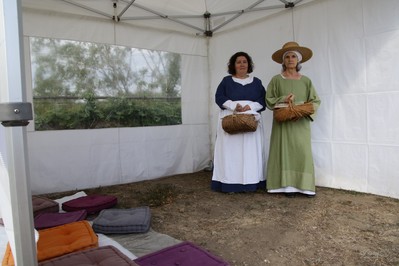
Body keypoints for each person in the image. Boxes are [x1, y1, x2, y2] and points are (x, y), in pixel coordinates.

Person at [265, 42, 321, 198]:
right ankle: (284, 186)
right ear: (283, 61)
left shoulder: (306, 81)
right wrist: (284, 99)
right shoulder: (276, 80)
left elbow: (315, 101)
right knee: (282, 151)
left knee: (302, 151)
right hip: (282, 123)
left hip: (300, 122)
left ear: (299, 60)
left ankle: (304, 186)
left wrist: (302, 110)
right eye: (287, 57)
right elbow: (269, 99)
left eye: (293, 56)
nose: (290, 59)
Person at [211, 51, 266, 193]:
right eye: (239, 62)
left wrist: (251, 107)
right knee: (231, 152)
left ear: (249, 65)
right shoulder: (226, 81)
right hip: (231, 119)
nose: (242, 64)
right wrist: (234, 106)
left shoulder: (257, 82)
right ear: (233, 65)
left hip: (251, 120)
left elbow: (263, 100)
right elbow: (219, 97)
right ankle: (230, 183)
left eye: (245, 62)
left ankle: (251, 182)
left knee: (250, 153)